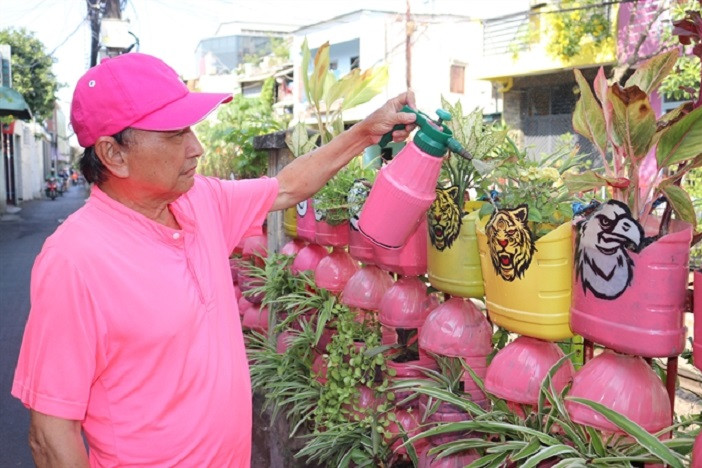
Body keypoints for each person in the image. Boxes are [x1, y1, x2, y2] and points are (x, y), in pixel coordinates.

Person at [11, 52, 416, 467]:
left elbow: (287, 188)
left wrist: (366, 132)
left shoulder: (200, 199)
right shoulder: (75, 259)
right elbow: (51, 433)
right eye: (175, 134)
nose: (197, 148)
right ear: (113, 154)